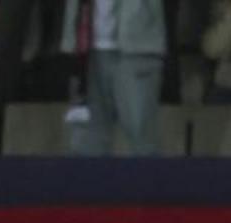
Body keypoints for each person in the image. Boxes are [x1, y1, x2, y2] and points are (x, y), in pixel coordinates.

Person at [61, 0, 166, 156]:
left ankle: (148, 173)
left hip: (137, 48)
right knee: (87, 143)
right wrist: (71, 40)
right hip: (86, 48)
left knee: (141, 137)